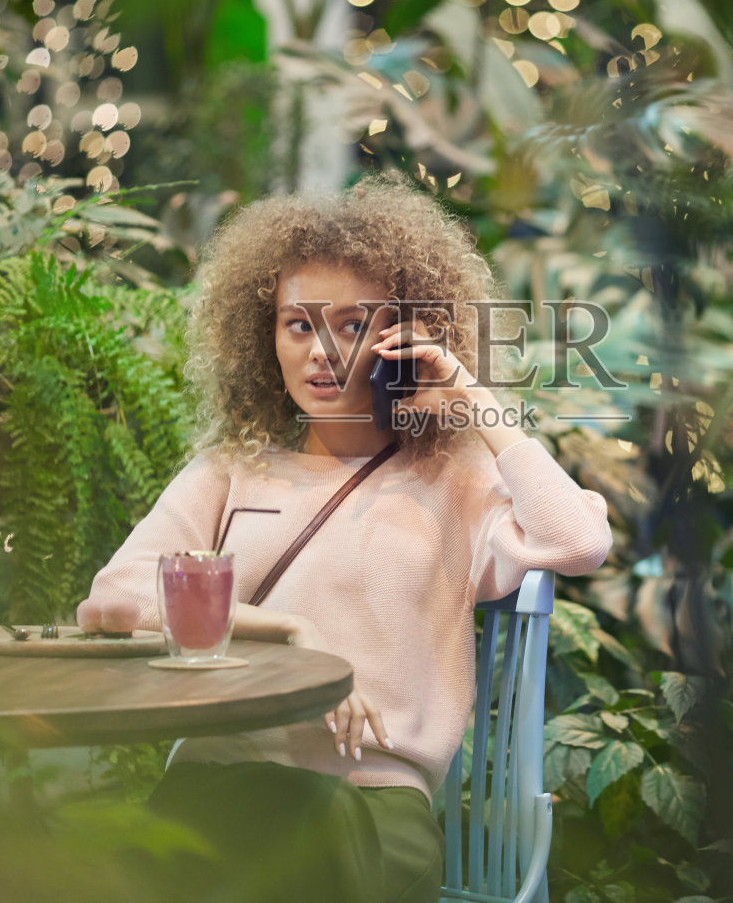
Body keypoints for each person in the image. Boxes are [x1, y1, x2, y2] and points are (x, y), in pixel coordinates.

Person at [76, 177, 611, 903]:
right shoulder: (231, 470)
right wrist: (289, 635)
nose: (322, 350)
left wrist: (473, 399)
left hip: (367, 809)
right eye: (299, 323)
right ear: (263, 337)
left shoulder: (451, 478)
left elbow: (577, 541)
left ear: (407, 335)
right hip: (219, 786)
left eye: (354, 324)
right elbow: (114, 600)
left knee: (276, 827)